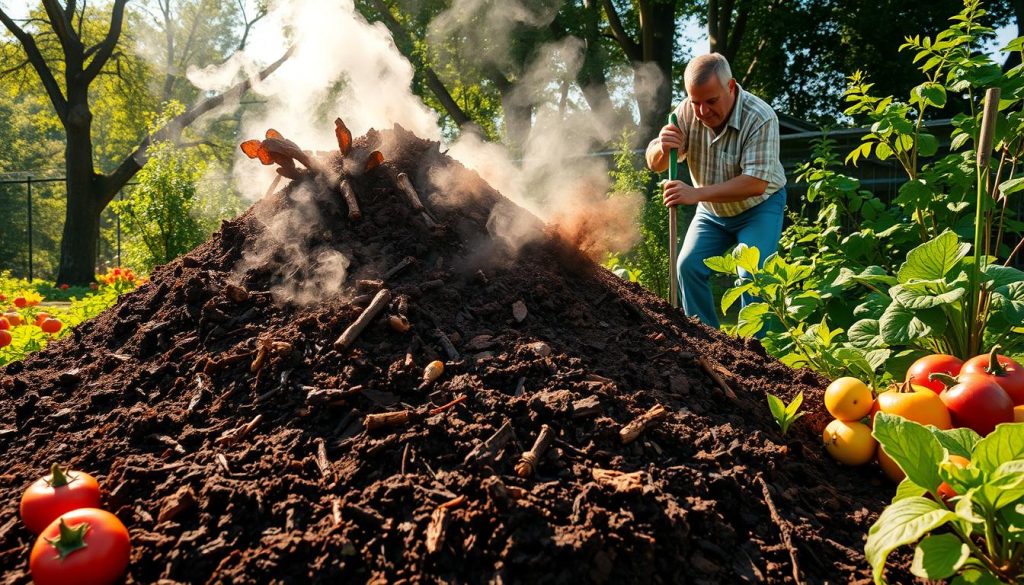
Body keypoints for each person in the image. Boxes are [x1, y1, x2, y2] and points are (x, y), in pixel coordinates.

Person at [646, 52, 787, 329]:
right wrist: (662, 147)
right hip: (711, 212)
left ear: (731, 87)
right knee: (688, 267)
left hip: (759, 206)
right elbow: (656, 164)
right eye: (695, 102)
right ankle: (707, 342)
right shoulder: (686, 112)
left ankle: (760, 354)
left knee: (752, 275)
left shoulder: (760, 117)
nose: (702, 111)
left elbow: (755, 183)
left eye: (711, 101)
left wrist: (695, 194)